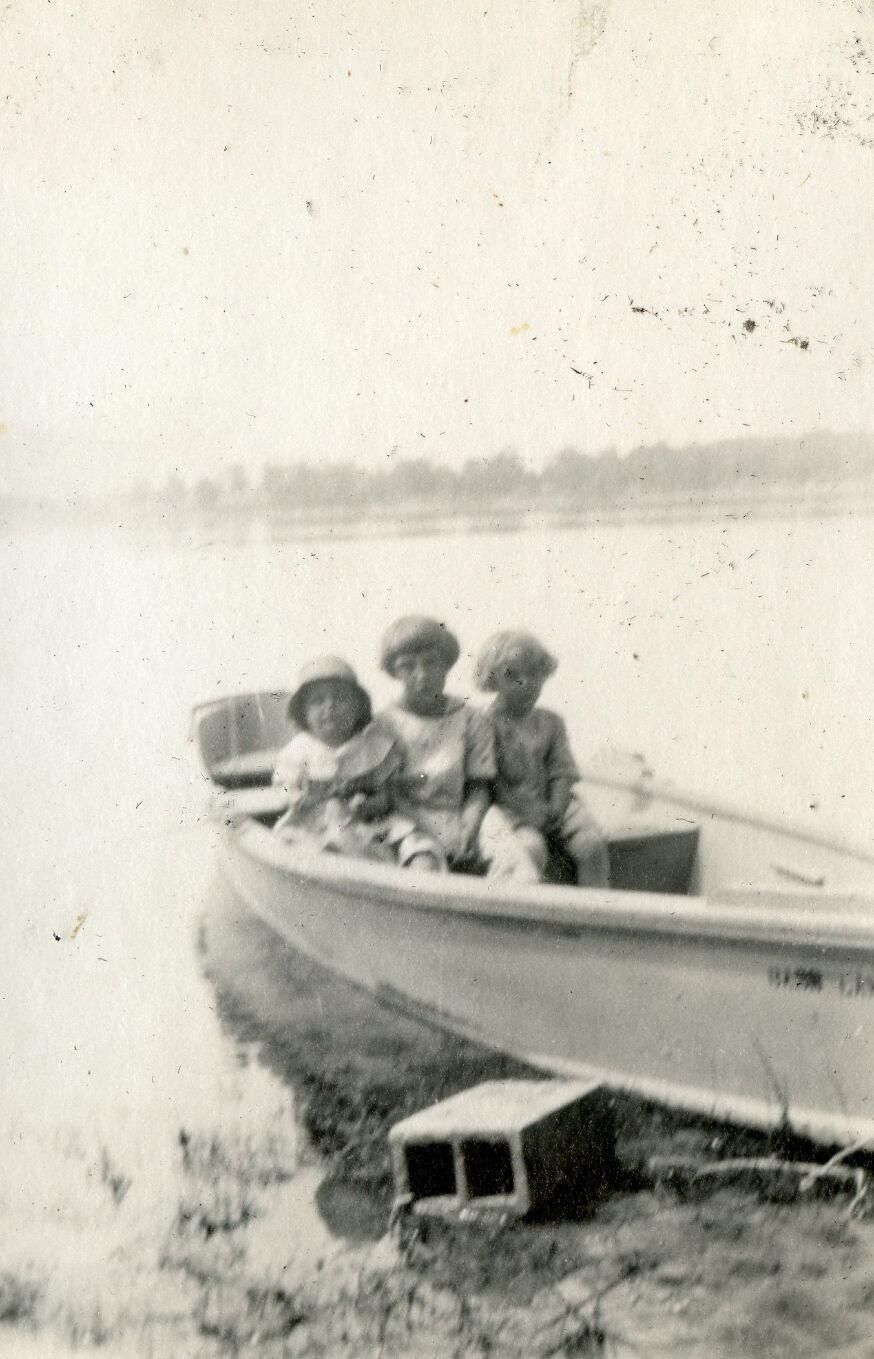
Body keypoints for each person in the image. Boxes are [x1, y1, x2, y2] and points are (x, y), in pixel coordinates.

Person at [272, 656, 440, 868]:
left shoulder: (372, 747)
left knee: (420, 849)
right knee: (309, 852)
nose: (330, 707)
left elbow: (387, 794)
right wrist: (311, 799)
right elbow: (285, 794)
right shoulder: (297, 751)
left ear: (358, 708)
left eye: (341, 699)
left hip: (372, 823)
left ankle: (414, 873)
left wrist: (370, 804)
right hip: (314, 826)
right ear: (303, 714)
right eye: (318, 701)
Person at [473, 630, 610, 886]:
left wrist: (556, 807)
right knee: (530, 849)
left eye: (535, 673)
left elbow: (562, 770)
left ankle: (596, 907)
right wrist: (528, 811)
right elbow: (488, 780)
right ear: (492, 679)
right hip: (508, 807)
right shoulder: (483, 724)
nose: (527, 682)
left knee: (591, 845)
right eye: (512, 675)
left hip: (556, 802)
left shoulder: (551, 722)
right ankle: (524, 909)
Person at [375, 616, 495, 870]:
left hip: (463, 814)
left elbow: (478, 787)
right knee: (424, 866)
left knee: (513, 854)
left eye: (431, 662)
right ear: (394, 671)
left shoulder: (471, 719)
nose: (422, 675)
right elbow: (390, 793)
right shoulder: (384, 724)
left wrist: (470, 826)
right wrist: (434, 833)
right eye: (408, 666)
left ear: (446, 664)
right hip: (407, 819)